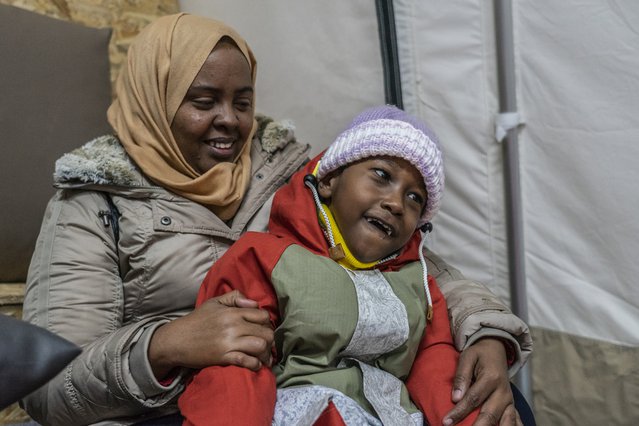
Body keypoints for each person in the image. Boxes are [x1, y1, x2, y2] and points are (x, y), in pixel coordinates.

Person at [20, 12, 531, 426]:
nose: (230, 120)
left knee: (497, 407)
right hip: (172, 408)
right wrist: (164, 346)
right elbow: (47, 385)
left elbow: (417, 268)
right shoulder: (93, 206)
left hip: (316, 384)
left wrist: (484, 333)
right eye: (203, 101)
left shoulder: (292, 171)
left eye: (242, 102)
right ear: (155, 99)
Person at [179, 104, 487, 425]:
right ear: (328, 180)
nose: (396, 203)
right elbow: (237, 363)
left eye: (415, 198)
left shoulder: (418, 283)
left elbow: (435, 364)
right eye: (382, 175)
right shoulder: (265, 257)